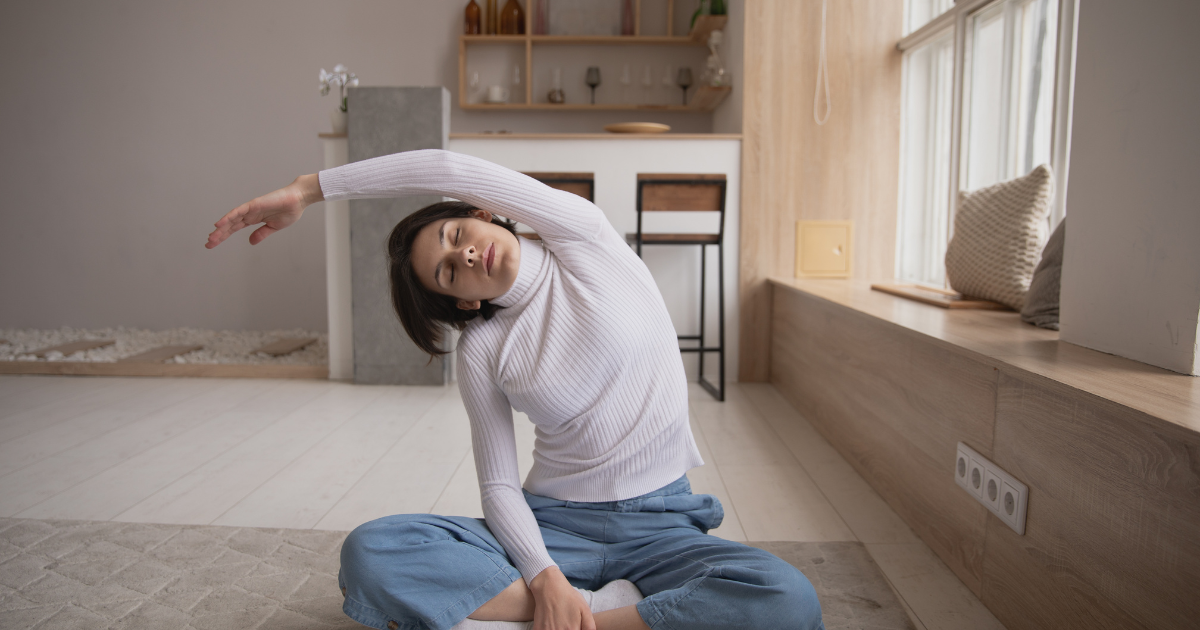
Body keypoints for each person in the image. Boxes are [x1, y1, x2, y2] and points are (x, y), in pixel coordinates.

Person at [206, 149, 824, 630]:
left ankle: (581, 618)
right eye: (448, 272)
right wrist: (544, 573)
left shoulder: (584, 238)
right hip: (553, 525)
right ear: (462, 298)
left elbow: (446, 165)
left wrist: (309, 189)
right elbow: (499, 484)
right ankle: (577, 604)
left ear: (480, 213)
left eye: (453, 236)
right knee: (373, 552)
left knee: (787, 599)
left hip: (660, 523)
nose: (465, 255)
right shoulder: (482, 348)